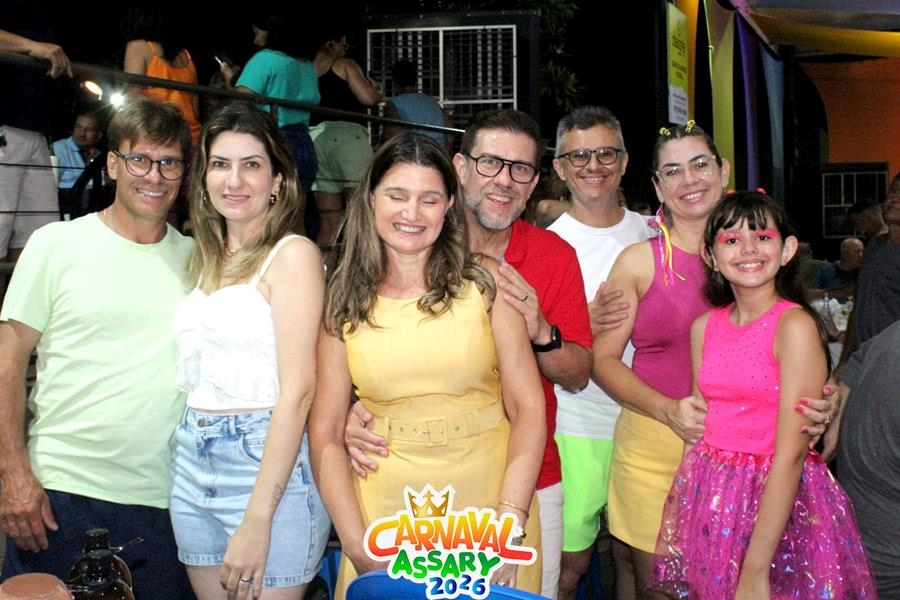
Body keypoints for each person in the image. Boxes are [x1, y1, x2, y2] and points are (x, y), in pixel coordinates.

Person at [344, 109, 594, 598]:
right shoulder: (384, 261)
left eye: (520, 169)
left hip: (526, 477)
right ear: (460, 168)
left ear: (534, 182)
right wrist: (351, 410)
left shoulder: (553, 256)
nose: (505, 180)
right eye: (491, 163)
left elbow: (578, 372)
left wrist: (542, 332)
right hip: (401, 481)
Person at [591, 122, 837, 600]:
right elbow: (602, 360)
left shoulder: (757, 257)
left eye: (700, 164)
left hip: (761, 461)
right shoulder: (639, 262)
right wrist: (668, 409)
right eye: (672, 170)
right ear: (657, 186)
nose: (689, 179)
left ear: (723, 170)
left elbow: (797, 348)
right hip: (658, 445)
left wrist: (828, 396)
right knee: (664, 587)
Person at [308, 132, 547, 597]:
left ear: (449, 204)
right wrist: (357, 545)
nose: (412, 213)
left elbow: (528, 409)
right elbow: (326, 433)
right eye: (397, 195)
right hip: (384, 514)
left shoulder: (487, 284)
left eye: (429, 199)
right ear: (371, 198)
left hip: (493, 506)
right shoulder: (343, 299)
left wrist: (511, 519)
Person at [0, 97, 195, 599]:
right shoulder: (55, 245)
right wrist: (13, 473)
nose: (154, 175)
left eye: (169, 162)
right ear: (112, 164)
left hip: (166, 503)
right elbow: (7, 359)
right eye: (139, 159)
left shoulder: (200, 261)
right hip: (60, 496)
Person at [649, 190, 875, 599]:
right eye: (732, 239)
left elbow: (792, 452)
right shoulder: (704, 327)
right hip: (715, 498)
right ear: (710, 255)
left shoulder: (794, 327)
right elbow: (697, 431)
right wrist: (683, 523)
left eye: (763, 237)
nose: (749, 249)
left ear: (787, 249)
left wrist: (755, 569)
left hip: (779, 506)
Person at [170, 102, 330, 600]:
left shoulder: (293, 255)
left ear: (278, 180)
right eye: (220, 164)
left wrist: (258, 518)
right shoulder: (204, 256)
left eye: (251, 165)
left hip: (263, 463)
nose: (234, 180)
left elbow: (299, 392)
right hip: (190, 460)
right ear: (204, 177)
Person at [546, 106, 656, 600]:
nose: (594, 165)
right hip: (575, 427)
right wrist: (577, 329)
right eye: (579, 155)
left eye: (606, 153)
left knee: (639, 562)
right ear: (559, 166)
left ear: (625, 161)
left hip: (648, 426)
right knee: (567, 568)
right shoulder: (546, 246)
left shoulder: (654, 234)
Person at [824, 318, 900, 598]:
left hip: (859, 559)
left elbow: (860, 355)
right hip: (884, 572)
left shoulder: (889, 338)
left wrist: (840, 396)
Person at [0, 2, 70, 269]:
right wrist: (30, 46)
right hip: (5, 126)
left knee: (38, 242)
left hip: (37, 130)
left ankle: (19, 299)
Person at [227, 9, 320, 204]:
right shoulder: (306, 65)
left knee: (268, 208)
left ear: (272, 31)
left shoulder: (265, 59)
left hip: (272, 139)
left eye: (258, 32)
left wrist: (229, 81)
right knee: (296, 208)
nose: (255, 39)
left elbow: (240, 100)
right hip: (303, 142)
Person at [309, 22, 382, 266]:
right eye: (343, 43)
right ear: (331, 42)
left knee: (329, 221)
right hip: (348, 138)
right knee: (360, 214)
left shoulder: (308, 69)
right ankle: (361, 276)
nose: (345, 48)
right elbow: (368, 98)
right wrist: (376, 90)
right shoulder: (345, 64)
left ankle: (323, 276)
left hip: (316, 139)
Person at [122, 3, 202, 146]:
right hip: (193, 139)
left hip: (159, 138)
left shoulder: (138, 47)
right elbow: (195, 110)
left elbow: (133, 99)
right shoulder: (186, 55)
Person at [382, 59, 454, 151]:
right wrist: (442, 150)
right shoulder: (432, 102)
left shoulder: (393, 104)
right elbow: (450, 133)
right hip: (436, 153)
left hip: (412, 154)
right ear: (415, 80)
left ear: (395, 82)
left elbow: (393, 134)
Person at [52, 103, 105, 218]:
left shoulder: (100, 156)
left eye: (88, 130)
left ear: (98, 135)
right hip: (65, 210)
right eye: (78, 127)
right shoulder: (59, 148)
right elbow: (50, 185)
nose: (82, 134)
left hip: (93, 212)